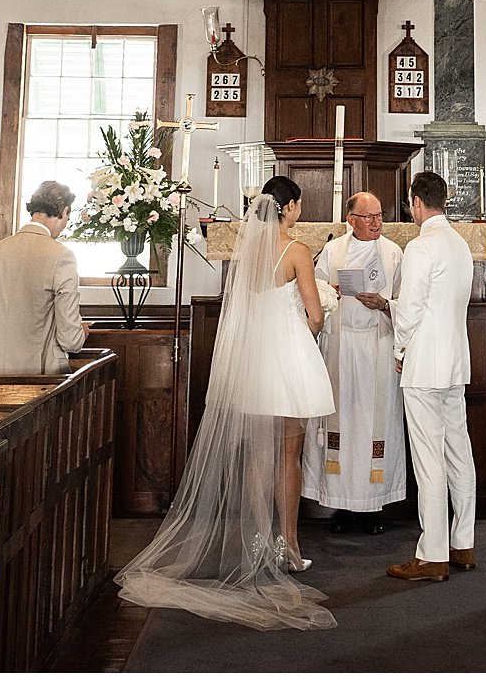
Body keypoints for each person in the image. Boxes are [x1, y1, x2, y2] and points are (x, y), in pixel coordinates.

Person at [118, 177, 335, 631]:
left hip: (252, 362)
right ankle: (289, 547)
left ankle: (254, 543)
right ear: (290, 207)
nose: (298, 212)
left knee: (258, 451)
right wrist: (304, 332)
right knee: (288, 455)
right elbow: (314, 314)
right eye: (297, 205)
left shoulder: (248, 252)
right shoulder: (295, 250)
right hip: (287, 362)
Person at [387, 171, 476, 583]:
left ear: (417, 203)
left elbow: (408, 311)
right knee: (459, 453)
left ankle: (432, 555)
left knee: (428, 459)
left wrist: (400, 349)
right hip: (456, 363)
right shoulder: (460, 244)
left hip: (425, 366)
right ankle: (463, 544)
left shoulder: (421, 247)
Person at [304, 191, 408, 533]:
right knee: (343, 425)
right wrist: (330, 290)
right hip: (342, 348)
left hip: (378, 349)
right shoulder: (333, 250)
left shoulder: (394, 253)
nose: (377, 222)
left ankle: (373, 507)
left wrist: (384, 305)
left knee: (376, 426)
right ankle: (342, 507)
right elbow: (314, 292)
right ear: (351, 220)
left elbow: (407, 302)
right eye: (369, 217)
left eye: (379, 216)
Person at [0, 181, 90, 376]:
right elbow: (70, 340)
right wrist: (81, 332)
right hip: (40, 376)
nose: (64, 227)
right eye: (67, 218)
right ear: (64, 210)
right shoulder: (62, 256)